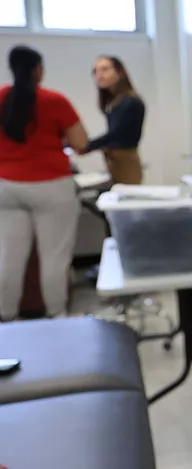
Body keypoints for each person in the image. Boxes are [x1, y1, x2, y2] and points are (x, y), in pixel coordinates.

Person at [0, 45, 89, 321]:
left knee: (8, 257)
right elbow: (81, 143)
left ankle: (7, 319)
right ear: (38, 69)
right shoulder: (53, 100)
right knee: (54, 257)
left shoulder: (1, 97)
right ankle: (57, 314)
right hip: (51, 186)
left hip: (7, 185)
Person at [81, 56, 145, 184]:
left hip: (126, 162)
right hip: (114, 160)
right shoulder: (114, 102)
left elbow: (116, 134)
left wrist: (86, 146)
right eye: (95, 72)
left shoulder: (130, 101)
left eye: (104, 69)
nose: (99, 75)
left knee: (127, 198)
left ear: (119, 72)